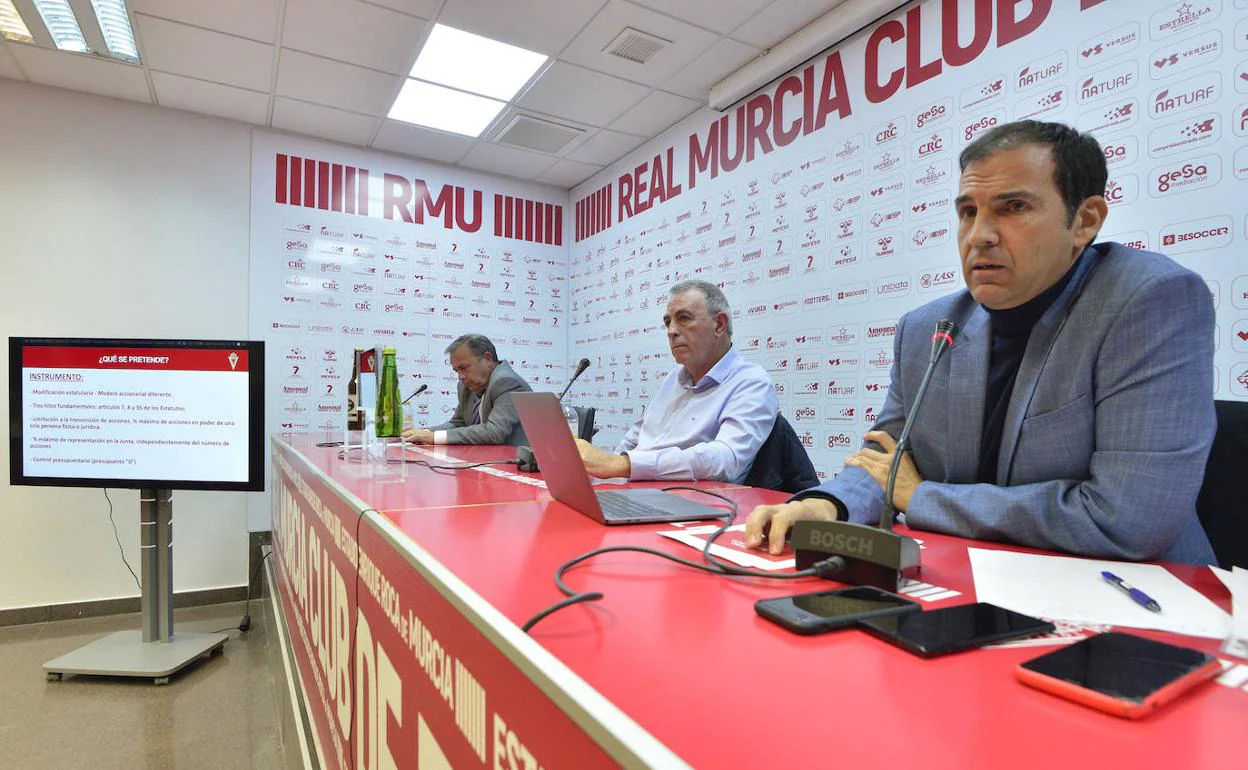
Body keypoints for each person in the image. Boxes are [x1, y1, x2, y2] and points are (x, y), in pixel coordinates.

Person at [745, 120, 1217, 564]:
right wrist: (827, 505)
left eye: (1013, 208)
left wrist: (922, 497)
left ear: (1085, 221)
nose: (979, 236)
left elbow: (1129, 519)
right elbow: (885, 463)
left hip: (1137, 603)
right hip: (970, 578)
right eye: (968, 212)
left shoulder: (1147, 301)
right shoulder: (927, 329)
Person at [576, 280, 779, 483]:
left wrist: (621, 465)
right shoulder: (674, 379)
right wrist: (599, 476)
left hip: (688, 504)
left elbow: (726, 460)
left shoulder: (751, 382)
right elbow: (635, 438)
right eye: (667, 322)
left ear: (719, 324)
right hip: (634, 492)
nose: (671, 331)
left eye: (684, 318)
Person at [402, 334, 532, 446]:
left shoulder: (507, 382)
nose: (461, 377)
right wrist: (424, 433)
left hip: (519, 467)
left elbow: (494, 432)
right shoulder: (465, 386)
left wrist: (434, 438)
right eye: (456, 370)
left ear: (487, 358)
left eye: (464, 368)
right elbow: (458, 424)